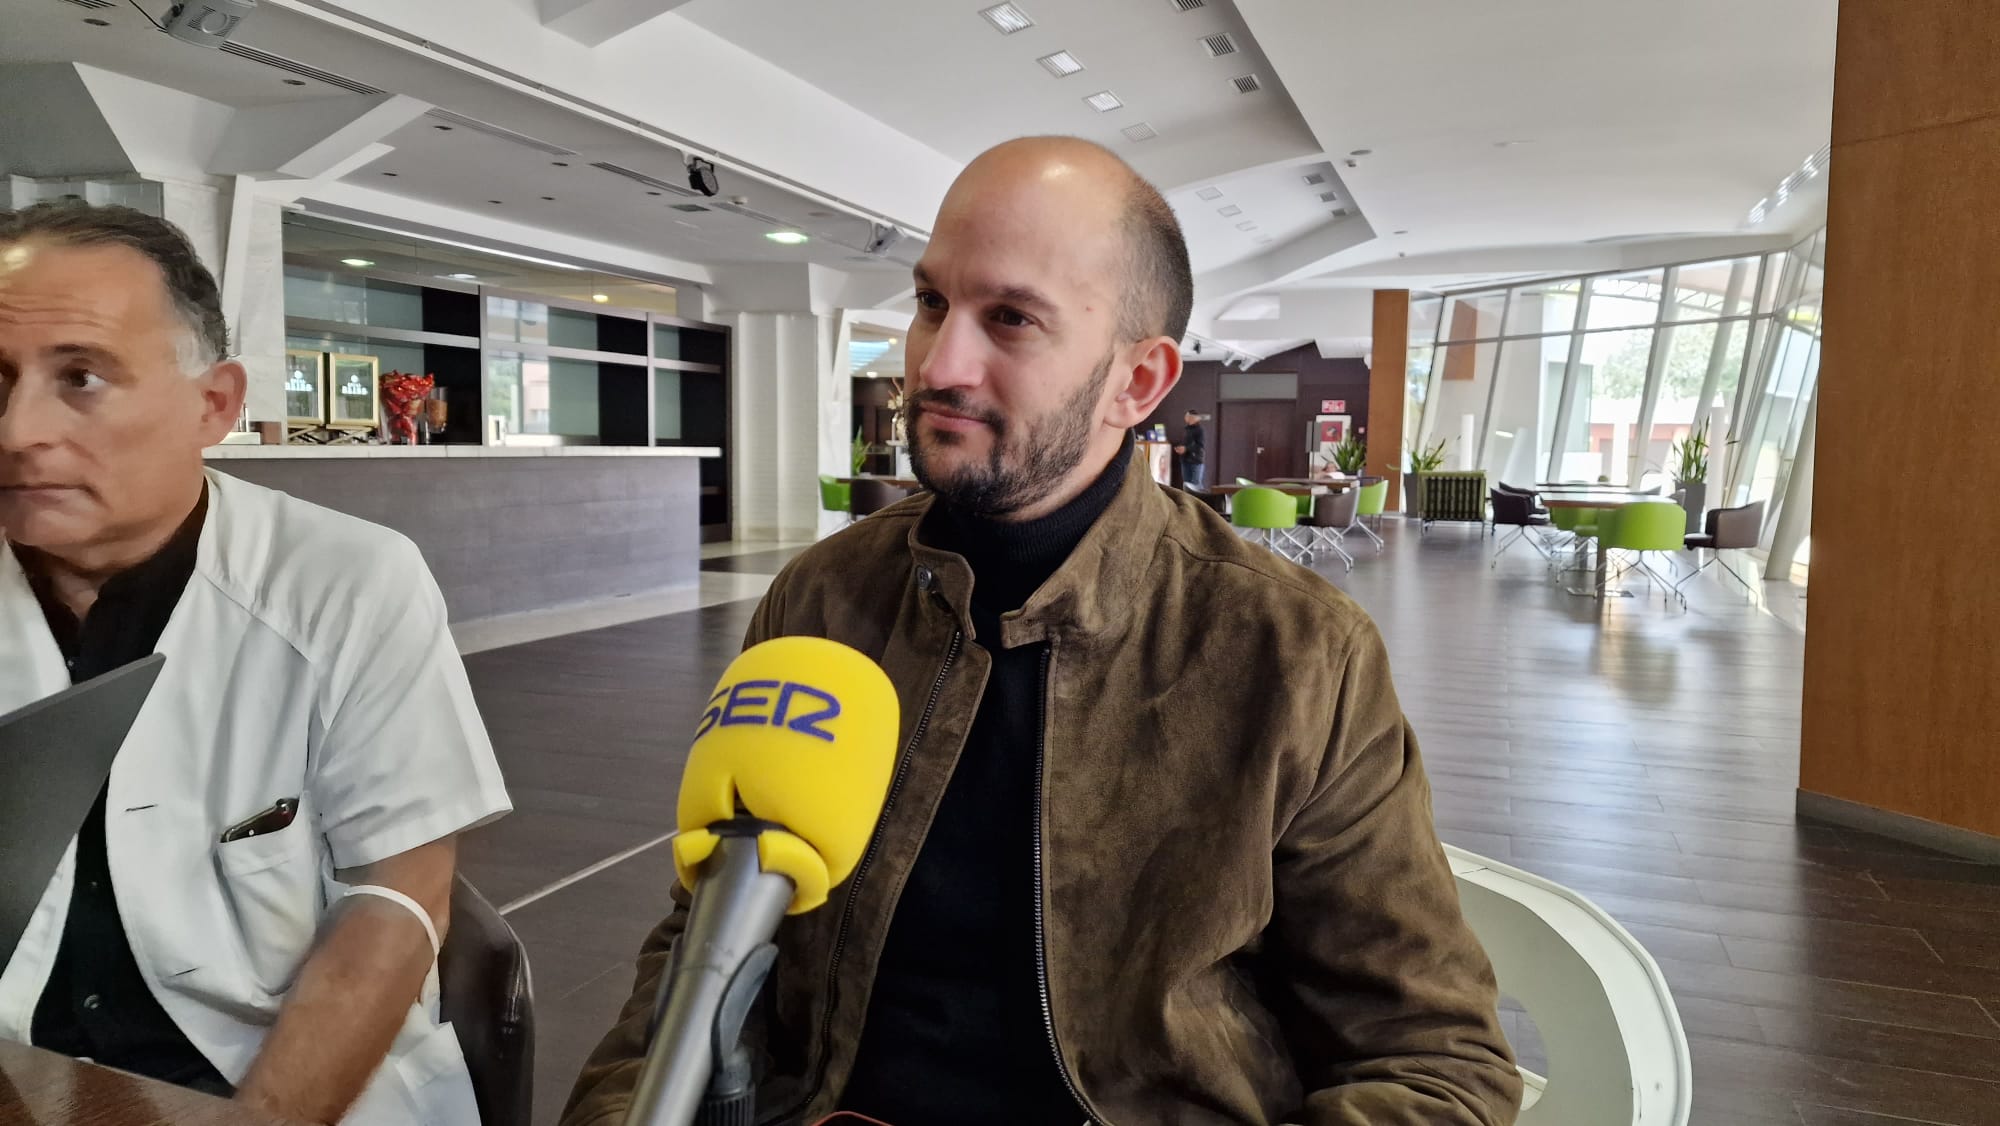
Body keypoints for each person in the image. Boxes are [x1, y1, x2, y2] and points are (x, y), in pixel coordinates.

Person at [564, 137, 1520, 1126]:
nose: (937, 364)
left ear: (1137, 382)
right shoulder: (821, 601)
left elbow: (1437, 1065)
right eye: (931, 301)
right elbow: (703, 940)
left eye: (1011, 318)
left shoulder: (1295, 654)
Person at [0, 200, 511, 1125]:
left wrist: (263, 1118)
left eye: (81, 377)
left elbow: (399, 897)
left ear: (215, 404)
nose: (17, 430)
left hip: (263, 1081)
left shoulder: (346, 581)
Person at [1174, 408, 1207, 489]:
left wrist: (1186, 449)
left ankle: (1199, 497)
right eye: (1186, 416)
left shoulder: (1200, 430)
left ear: (1194, 418)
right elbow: (1185, 443)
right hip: (1185, 460)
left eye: (1188, 416)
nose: (1186, 418)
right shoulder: (1186, 429)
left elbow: (1200, 446)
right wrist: (1180, 448)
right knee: (1186, 484)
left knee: (1196, 484)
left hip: (1196, 461)